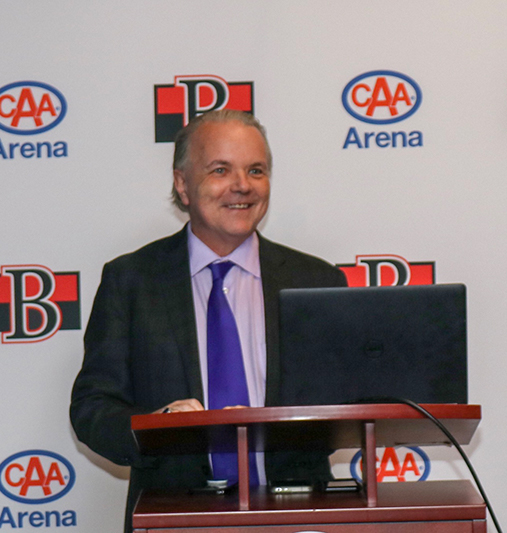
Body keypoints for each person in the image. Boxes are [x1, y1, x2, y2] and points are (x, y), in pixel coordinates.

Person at [70, 109, 347, 532]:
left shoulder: (317, 281)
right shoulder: (131, 280)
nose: (242, 185)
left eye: (256, 170)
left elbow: (346, 404)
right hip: (174, 517)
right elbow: (92, 408)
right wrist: (157, 427)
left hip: (297, 517)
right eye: (220, 170)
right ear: (182, 184)